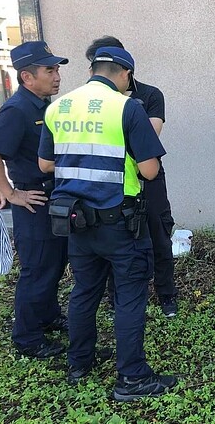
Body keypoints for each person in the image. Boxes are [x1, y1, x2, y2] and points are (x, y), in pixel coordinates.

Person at [38, 46, 177, 399]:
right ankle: (132, 378)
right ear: (125, 74)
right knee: (130, 295)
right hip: (119, 222)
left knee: (84, 291)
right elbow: (149, 169)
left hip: (75, 221)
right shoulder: (127, 107)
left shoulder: (58, 108)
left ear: (92, 70)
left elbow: (44, 165)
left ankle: (79, 362)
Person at [85, 36, 178, 318]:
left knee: (159, 237)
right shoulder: (93, 103)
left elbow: (150, 136)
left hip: (148, 181)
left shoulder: (149, 95)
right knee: (119, 240)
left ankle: (166, 295)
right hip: (115, 183)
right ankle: (116, 300)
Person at [0, 41, 69, 358]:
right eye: (49, 70)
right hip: (33, 199)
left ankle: (48, 316)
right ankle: (27, 337)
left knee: (55, 261)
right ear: (27, 77)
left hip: (53, 195)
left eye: (56, 69)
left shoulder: (43, 105)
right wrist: (11, 193)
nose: (57, 76)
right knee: (37, 268)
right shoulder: (16, 110)